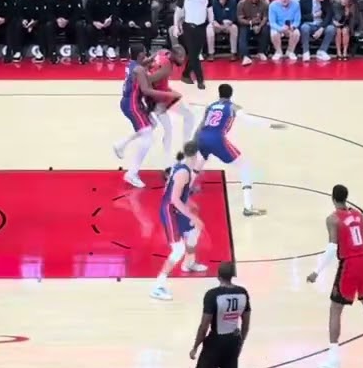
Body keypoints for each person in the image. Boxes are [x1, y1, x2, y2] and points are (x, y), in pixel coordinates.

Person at [307, 183, 363, 368]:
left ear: (333, 198)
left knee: (335, 309)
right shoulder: (359, 214)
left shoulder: (333, 219)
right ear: (346, 197)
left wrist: (316, 271)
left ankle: (333, 360)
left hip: (349, 265)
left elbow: (332, 249)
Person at [194, 84, 272, 216]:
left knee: (199, 164)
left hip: (202, 136)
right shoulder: (232, 107)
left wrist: (194, 140)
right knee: (245, 167)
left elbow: (201, 123)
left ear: (219, 93)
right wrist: (268, 124)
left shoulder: (211, 106)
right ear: (231, 94)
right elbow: (248, 119)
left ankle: (183, 192)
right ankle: (248, 207)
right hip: (217, 139)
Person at [113, 47, 179, 188]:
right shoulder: (140, 70)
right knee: (148, 137)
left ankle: (121, 145)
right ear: (141, 55)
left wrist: (156, 54)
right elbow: (146, 90)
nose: (147, 56)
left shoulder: (132, 65)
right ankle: (132, 173)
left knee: (151, 125)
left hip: (129, 102)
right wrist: (169, 95)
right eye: (145, 54)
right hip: (133, 105)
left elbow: (143, 65)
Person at [151, 141, 208, 300]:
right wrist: (192, 216)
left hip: (176, 208)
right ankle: (158, 286)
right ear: (196, 155)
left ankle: (188, 264)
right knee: (178, 249)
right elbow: (174, 199)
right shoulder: (183, 172)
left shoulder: (183, 167)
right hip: (170, 212)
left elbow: (177, 193)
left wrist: (189, 205)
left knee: (194, 231)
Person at [190, 260, 251, 368]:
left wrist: (195, 346)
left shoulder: (212, 295)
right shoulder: (242, 293)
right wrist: (241, 341)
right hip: (233, 342)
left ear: (218, 276)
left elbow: (204, 326)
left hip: (216, 342)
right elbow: (246, 322)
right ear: (232, 275)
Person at [178, 0, 211, 89]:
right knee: (193, 54)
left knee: (195, 54)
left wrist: (211, 24)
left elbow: (210, 11)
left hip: (201, 27)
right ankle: (200, 80)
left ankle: (185, 74)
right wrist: (176, 26)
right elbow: (177, 12)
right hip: (188, 27)